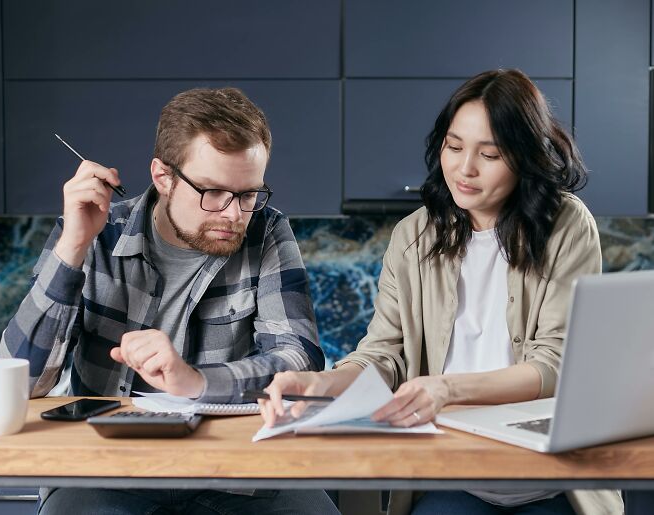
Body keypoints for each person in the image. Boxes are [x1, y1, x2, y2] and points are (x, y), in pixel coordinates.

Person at [260, 70, 623, 515]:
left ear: (524, 158)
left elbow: (554, 364)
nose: (464, 168)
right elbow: (383, 356)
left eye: (489, 154)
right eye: (454, 147)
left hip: (546, 478)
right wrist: (320, 384)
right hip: (452, 472)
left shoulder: (566, 226)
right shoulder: (413, 236)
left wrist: (446, 389)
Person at [0, 88, 338, 514]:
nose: (234, 215)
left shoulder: (266, 231)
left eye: (249, 194)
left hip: (238, 472)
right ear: (164, 177)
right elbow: (25, 383)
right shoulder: (95, 231)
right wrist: (72, 247)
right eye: (213, 192)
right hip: (108, 475)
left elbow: (299, 359)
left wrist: (195, 382)